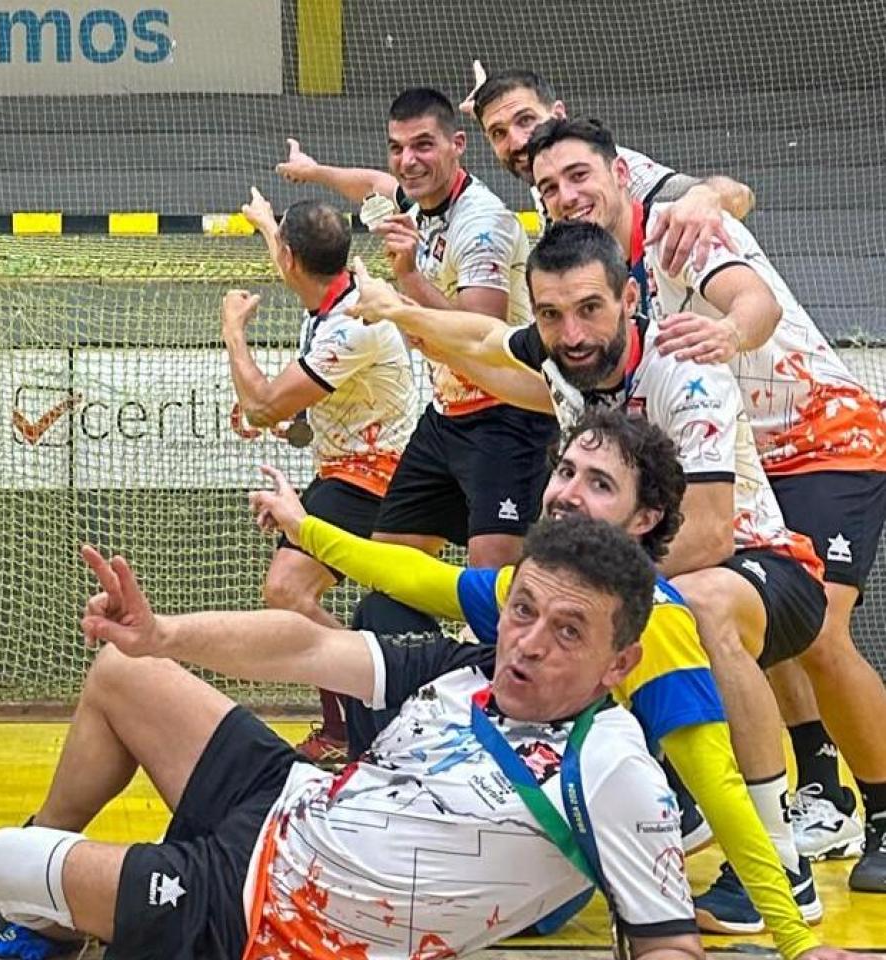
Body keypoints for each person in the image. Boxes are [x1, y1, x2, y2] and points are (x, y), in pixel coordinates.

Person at [347, 220, 833, 931]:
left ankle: (780, 862)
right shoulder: (563, 362)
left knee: (684, 606)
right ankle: (655, 806)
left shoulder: (682, 369)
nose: (570, 332)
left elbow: (709, 532)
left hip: (761, 568)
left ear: (630, 297)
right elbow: (484, 341)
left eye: (589, 310)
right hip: (642, 572)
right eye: (550, 315)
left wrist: (582, 586)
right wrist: (398, 310)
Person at [0, 519, 708, 960]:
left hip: (269, 907)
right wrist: (163, 634)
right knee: (125, 669)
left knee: (0, 860)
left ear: (620, 663)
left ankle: (60, 901)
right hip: (290, 798)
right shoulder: (468, 668)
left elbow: (668, 941)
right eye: (523, 611)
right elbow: (303, 648)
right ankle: (54, 926)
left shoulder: (611, 766)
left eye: (568, 631)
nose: (528, 643)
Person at [253, 407, 823, 959]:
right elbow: (421, 576)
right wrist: (304, 528)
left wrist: (797, 943)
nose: (569, 492)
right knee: (390, 613)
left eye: (599, 484)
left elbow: (721, 786)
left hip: (539, 849)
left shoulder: (657, 620)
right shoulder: (543, 587)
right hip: (471, 805)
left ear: (643, 519)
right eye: (567, 471)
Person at [527, 115, 886, 893]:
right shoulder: (580, 298)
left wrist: (724, 333)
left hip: (815, 428)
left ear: (621, 173)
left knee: (807, 624)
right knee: (729, 608)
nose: (563, 194)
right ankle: (798, 788)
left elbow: (752, 297)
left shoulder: (674, 228)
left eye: (576, 176)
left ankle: (862, 818)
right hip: (735, 451)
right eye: (546, 185)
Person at [276, 88, 556, 574]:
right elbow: (372, 183)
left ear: (457, 144)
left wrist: (407, 279)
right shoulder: (419, 200)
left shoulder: (482, 223)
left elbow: (481, 334)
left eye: (423, 145)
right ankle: (421, 651)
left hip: (506, 414)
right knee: (390, 566)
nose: (408, 160)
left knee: (491, 580)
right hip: (447, 414)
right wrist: (315, 171)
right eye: (397, 146)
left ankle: (485, 651)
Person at [227, 189, 417, 762]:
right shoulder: (332, 291)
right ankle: (356, 715)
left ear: (290, 259)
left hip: (375, 478)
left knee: (287, 590)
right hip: (352, 470)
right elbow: (294, 263)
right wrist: (266, 223)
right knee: (298, 594)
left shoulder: (349, 326)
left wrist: (233, 330)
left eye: (280, 247)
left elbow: (262, 406)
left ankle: (356, 715)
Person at [464, 65, 751, 272]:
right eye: (498, 133)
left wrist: (704, 196)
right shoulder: (548, 178)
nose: (516, 141)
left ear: (559, 114)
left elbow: (740, 195)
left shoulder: (612, 169)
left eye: (525, 120)